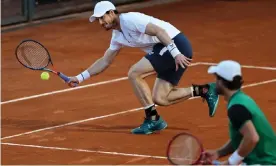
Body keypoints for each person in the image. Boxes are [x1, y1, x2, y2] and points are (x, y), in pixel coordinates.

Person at [67, 1, 219, 134]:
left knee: (134, 73)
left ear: (112, 12)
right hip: (166, 50)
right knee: (161, 98)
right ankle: (205, 90)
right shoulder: (117, 36)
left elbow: (159, 31)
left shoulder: (130, 19)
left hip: (174, 44)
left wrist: (176, 53)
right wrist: (79, 78)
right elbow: (105, 61)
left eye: (102, 17)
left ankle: (152, 119)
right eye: (98, 20)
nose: (100, 22)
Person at [202, 60, 276, 165]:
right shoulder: (241, 99)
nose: (215, 82)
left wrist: (230, 163)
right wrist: (219, 153)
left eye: (217, 79)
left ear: (223, 82)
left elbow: (252, 138)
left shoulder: (236, 108)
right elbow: (242, 137)